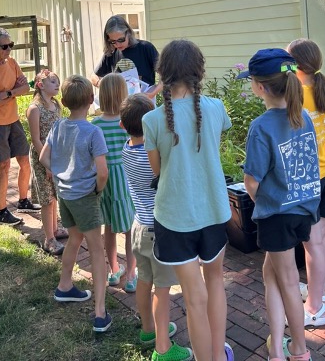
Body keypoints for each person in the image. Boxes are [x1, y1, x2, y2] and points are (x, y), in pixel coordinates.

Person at [142, 39, 234, 361]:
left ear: (163, 72)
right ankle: (219, 356)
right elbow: (210, 153)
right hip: (213, 209)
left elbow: (158, 170)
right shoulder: (216, 109)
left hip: (174, 215)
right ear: (199, 70)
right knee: (215, 284)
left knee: (194, 298)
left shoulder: (151, 120)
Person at [238, 48, 321, 361]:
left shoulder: (261, 126)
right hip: (302, 211)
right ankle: (276, 347)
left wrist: (265, 203)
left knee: (288, 282)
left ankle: (299, 351)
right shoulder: (304, 118)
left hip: (278, 214)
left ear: (260, 87)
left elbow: (251, 182)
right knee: (271, 273)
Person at [120, 93, 193, 361]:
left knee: (144, 280)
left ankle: (148, 330)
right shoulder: (153, 157)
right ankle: (163, 349)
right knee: (163, 290)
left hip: (139, 226)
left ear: (122, 125)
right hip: (159, 231)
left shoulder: (126, 149)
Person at [39, 75, 112, 332]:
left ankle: (65, 286)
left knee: (74, 239)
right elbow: (102, 172)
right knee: (96, 251)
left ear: (65, 101)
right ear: (91, 100)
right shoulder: (94, 131)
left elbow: (43, 157)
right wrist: (97, 189)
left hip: (66, 195)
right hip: (85, 196)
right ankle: (100, 312)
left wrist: (60, 174)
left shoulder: (58, 126)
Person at [286, 39, 325, 327]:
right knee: (321, 238)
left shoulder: (299, 97)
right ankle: (321, 294)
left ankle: (315, 308)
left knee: (312, 243)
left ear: (296, 65)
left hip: (308, 178)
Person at [0, 26, 40, 226]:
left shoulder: (12, 63)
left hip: (13, 120)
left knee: (24, 161)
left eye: (10, 45)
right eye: (4, 46)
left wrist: (5, 93)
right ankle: (2, 212)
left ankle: (23, 201)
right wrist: (13, 92)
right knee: (3, 166)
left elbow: (25, 87)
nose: (8, 50)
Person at [91, 73, 137, 292]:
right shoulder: (127, 122)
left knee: (108, 227)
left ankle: (113, 270)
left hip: (105, 177)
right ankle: (131, 274)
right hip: (125, 177)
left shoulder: (96, 123)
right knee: (130, 228)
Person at [26, 69, 68, 256]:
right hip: (41, 157)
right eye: (53, 82)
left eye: (57, 81)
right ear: (40, 85)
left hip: (56, 156)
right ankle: (49, 239)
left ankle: (55, 229)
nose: (57, 85)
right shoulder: (35, 109)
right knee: (46, 198)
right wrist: (46, 164)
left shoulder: (56, 105)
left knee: (54, 195)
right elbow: (36, 140)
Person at [91, 15, 160, 97]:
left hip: (145, 103)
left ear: (128, 33)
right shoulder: (111, 52)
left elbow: (166, 75)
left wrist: (152, 93)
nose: (117, 44)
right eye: (113, 41)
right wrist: (101, 84)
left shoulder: (146, 48)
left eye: (121, 39)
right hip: (121, 104)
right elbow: (93, 76)